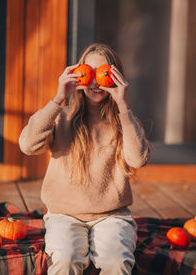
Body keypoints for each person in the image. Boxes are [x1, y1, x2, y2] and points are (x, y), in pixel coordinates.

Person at [19, 43, 151, 275]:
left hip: (112, 216)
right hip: (64, 214)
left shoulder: (124, 122)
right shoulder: (61, 117)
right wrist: (58, 98)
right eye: (89, 72)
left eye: (104, 73)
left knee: (116, 260)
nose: (95, 81)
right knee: (66, 259)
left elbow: (138, 159)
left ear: (116, 77)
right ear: (79, 75)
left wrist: (122, 104)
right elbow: (28, 145)